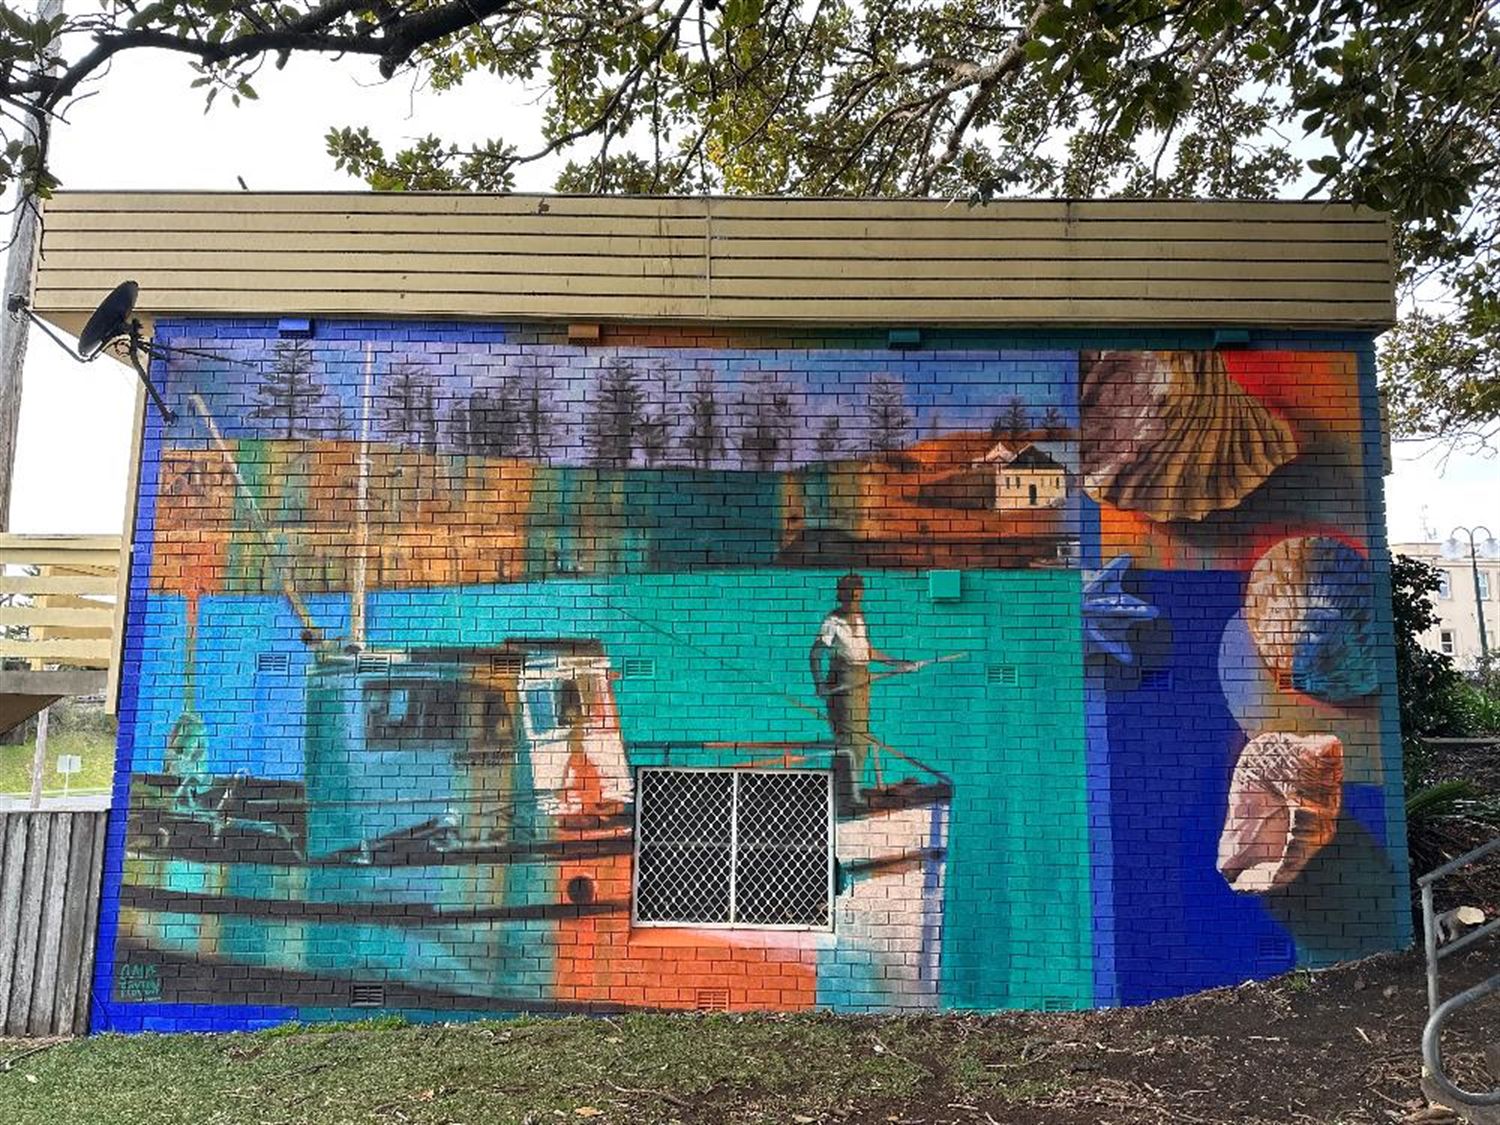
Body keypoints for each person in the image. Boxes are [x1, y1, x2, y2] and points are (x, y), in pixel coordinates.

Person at [809, 573, 913, 811]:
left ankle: (850, 792)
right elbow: (815, 653)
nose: (854, 602)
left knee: (861, 740)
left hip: (861, 680)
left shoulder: (860, 617)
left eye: (857, 597)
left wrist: (897, 663)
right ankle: (845, 797)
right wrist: (820, 684)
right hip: (842, 680)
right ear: (841, 595)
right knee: (848, 741)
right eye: (849, 597)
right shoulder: (833, 621)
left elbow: (866, 651)